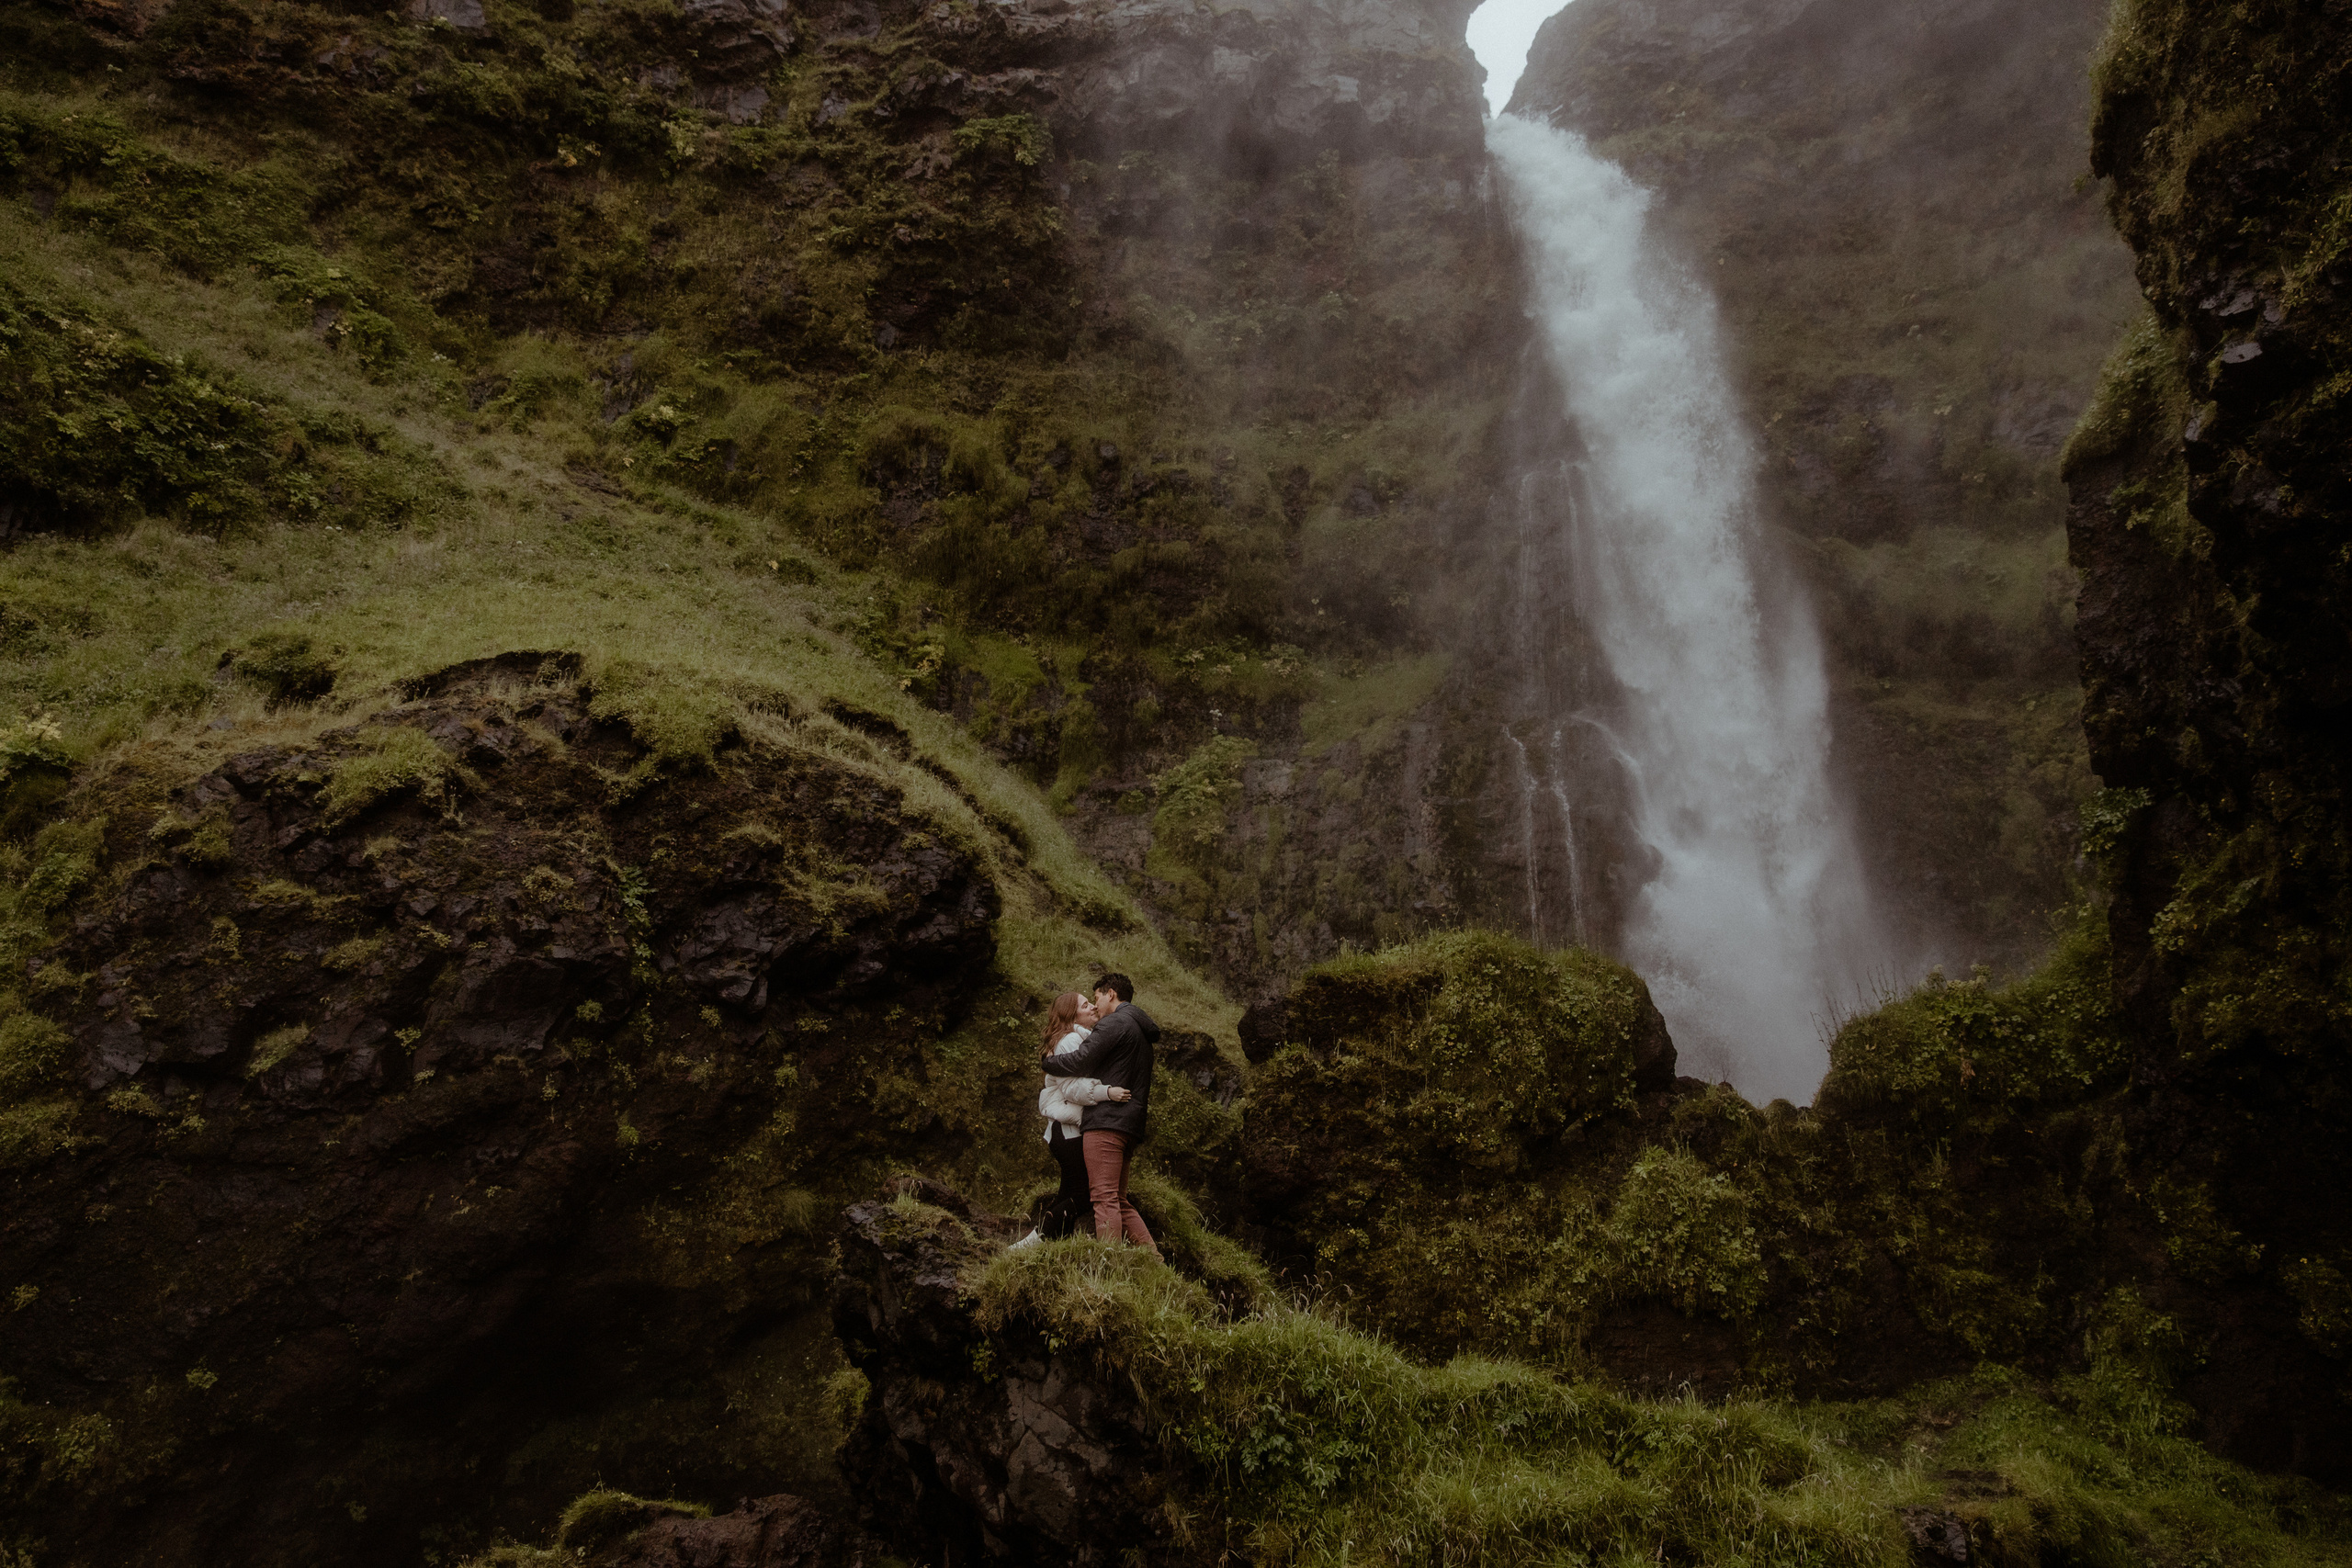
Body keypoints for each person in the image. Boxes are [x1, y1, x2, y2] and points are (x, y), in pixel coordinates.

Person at [1040, 971, 1161, 1258]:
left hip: (1106, 1123)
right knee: (1118, 1199)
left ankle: (1109, 1263)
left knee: (1104, 1198)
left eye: (1096, 998)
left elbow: (1081, 1060)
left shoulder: (1115, 1022)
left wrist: (1048, 1062)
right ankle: (1154, 1261)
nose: (1096, 1005)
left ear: (1111, 994)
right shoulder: (1140, 1029)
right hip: (1130, 1123)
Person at [1009, 992, 1129, 1250]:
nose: (1093, 1007)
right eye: (1085, 1005)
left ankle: (1041, 1246)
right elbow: (1073, 1089)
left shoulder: (1077, 1038)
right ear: (1072, 1015)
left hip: (1065, 1130)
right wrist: (1107, 1092)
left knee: (1069, 1193)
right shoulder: (1070, 1041)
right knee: (1085, 1195)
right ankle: (1030, 1244)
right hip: (1069, 1131)